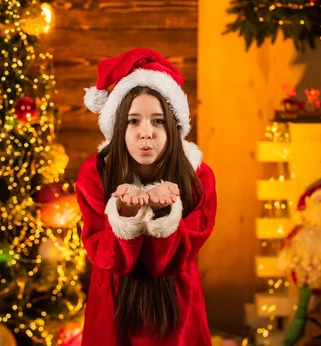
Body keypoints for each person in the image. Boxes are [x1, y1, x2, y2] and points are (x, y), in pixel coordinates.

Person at [75, 48, 217, 346]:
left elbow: (176, 260)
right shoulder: (95, 174)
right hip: (113, 312)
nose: (146, 133)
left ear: (174, 126)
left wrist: (163, 212)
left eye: (157, 121)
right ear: (118, 126)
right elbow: (104, 255)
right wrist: (125, 214)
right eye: (133, 121)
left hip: (177, 311)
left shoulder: (198, 178)